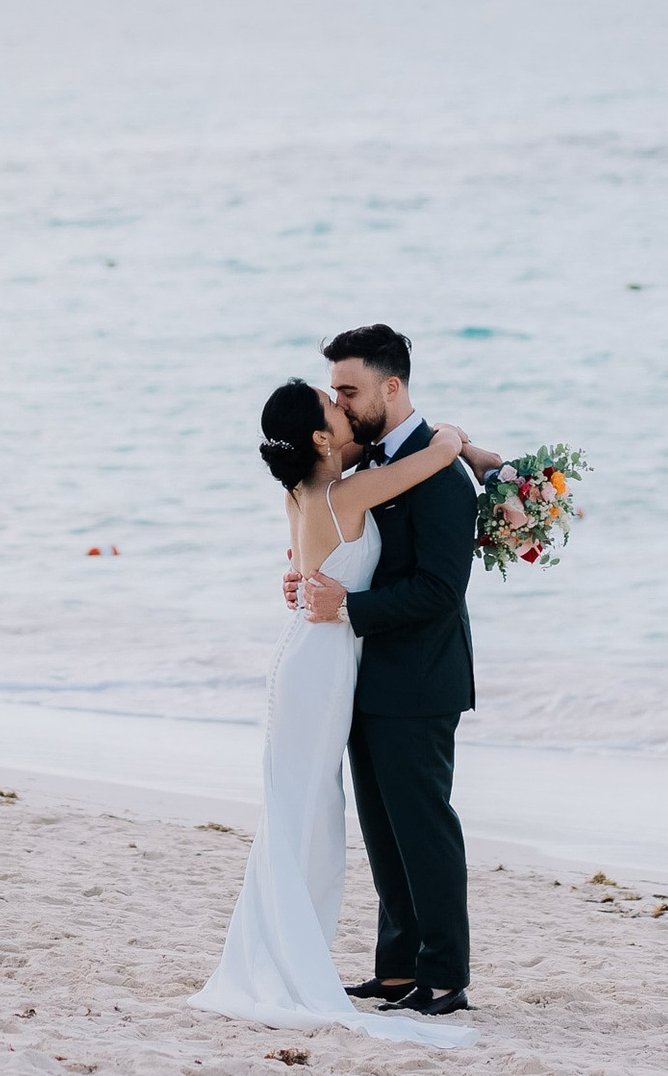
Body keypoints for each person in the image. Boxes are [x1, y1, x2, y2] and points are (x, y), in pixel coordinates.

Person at [191, 371, 498, 1030]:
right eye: (334, 405)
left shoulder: (301, 492)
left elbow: (308, 564)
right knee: (314, 813)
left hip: (306, 659)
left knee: (299, 810)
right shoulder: (351, 491)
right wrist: (459, 441)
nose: (343, 409)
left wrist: (301, 580)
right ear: (319, 437)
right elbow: (438, 453)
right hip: (326, 665)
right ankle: (300, 953)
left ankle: (295, 951)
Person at [297, 323, 485, 1018]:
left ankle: (444, 975)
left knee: (423, 828)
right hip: (363, 673)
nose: (341, 405)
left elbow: (441, 591)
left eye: (350, 390)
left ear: (392, 385)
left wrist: (350, 605)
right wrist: (317, 584)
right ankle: (398, 968)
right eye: (337, 392)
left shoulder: (440, 478)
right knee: (381, 830)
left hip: (421, 679)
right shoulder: (376, 464)